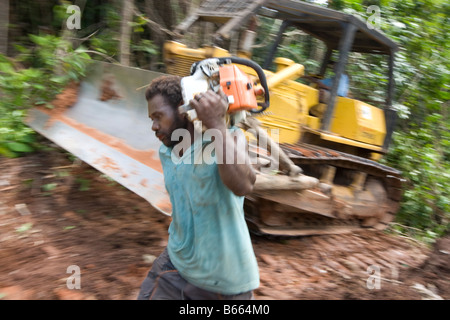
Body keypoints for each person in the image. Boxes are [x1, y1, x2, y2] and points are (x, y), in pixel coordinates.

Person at [137, 75, 259, 300]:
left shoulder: (228, 139)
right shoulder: (167, 151)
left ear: (184, 109)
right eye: (151, 118)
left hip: (222, 279)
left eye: (158, 116)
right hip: (176, 263)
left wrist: (216, 124)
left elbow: (243, 185)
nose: (153, 126)